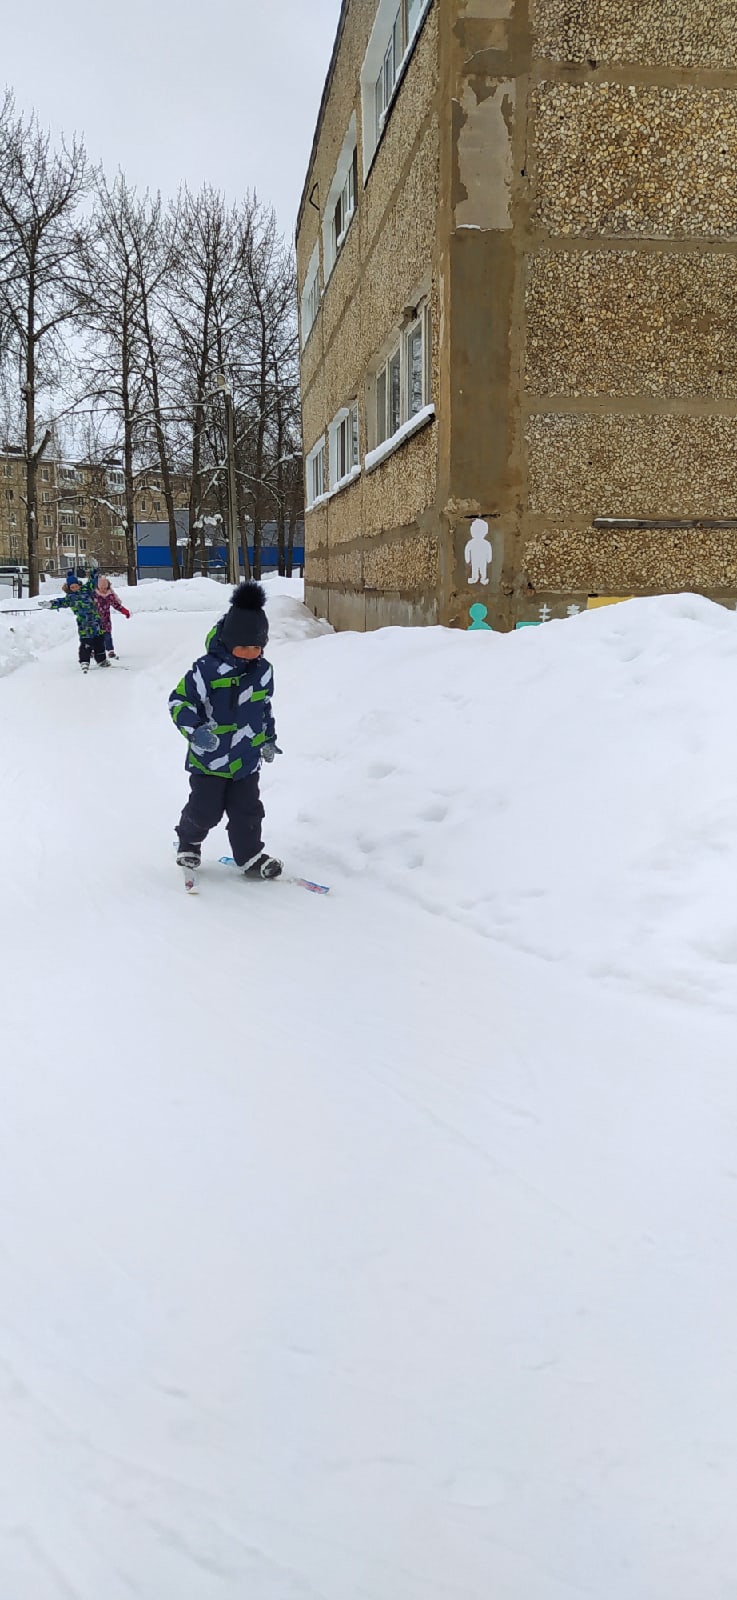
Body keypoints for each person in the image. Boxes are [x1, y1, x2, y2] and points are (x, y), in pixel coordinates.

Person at [169, 581, 283, 879]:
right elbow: (179, 701)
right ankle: (189, 841)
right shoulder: (206, 670)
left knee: (248, 811)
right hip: (210, 760)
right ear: (229, 641)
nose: (250, 653)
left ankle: (250, 856)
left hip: (246, 759)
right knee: (205, 811)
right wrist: (195, 731)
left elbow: (264, 707)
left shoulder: (263, 671)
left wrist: (268, 739)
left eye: (257, 647)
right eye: (244, 647)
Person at [45, 571, 109, 672]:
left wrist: (94, 570)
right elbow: (61, 602)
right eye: (72, 587)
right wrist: (51, 604)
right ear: (69, 588)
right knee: (86, 643)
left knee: (99, 642)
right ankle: (84, 661)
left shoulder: (87, 590)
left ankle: (102, 660)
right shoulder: (70, 598)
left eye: (75, 586)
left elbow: (93, 581)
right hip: (84, 624)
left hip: (96, 622)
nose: (74, 588)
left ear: (78, 584)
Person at [94, 575, 130, 658]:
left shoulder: (110, 596)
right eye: (101, 588)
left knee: (107, 636)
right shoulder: (94, 595)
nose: (103, 590)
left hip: (106, 620)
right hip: (95, 620)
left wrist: (125, 612)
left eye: (105, 588)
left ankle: (110, 650)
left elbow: (117, 605)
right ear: (98, 587)